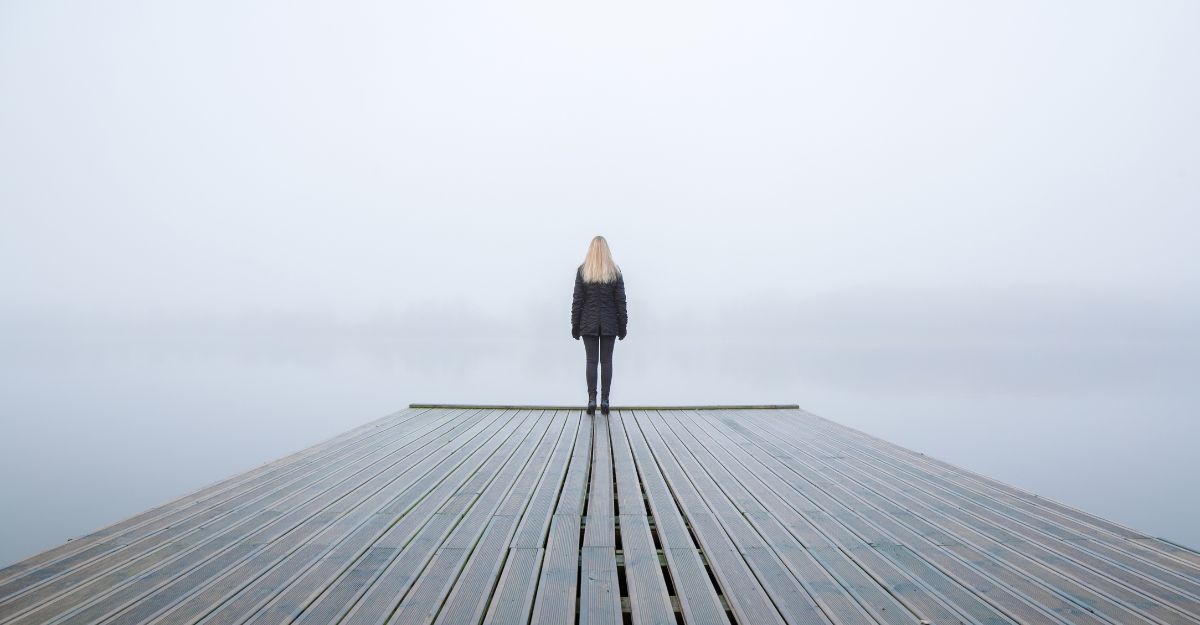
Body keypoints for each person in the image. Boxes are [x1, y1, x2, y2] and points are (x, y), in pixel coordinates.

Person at [571, 236, 627, 415]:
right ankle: (605, 400)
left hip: (588, 322)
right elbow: (621, 301)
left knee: (591, 361)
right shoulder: (615, 271)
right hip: (610, 322)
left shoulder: (583, 271)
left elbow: (577, 301)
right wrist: (623, 324)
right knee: (606, 361)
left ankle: (591, 400)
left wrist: (575, 324)